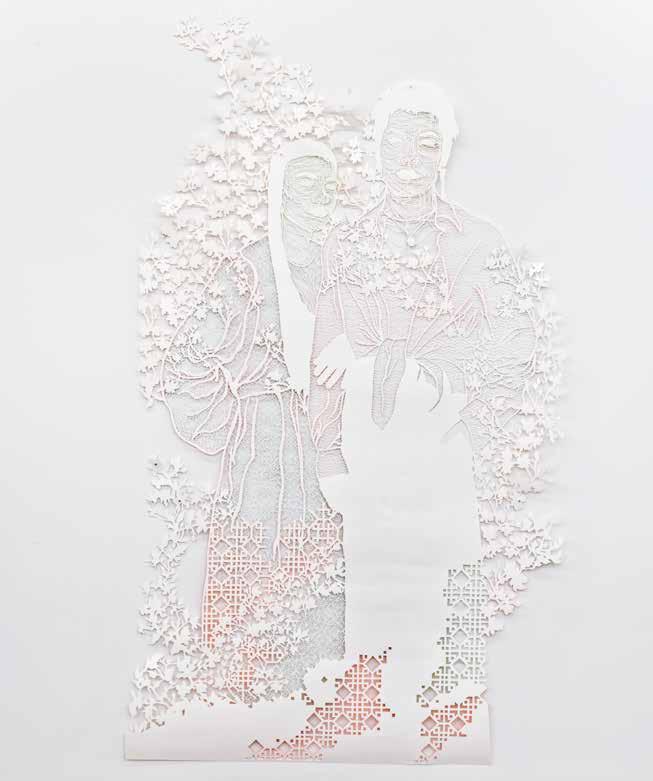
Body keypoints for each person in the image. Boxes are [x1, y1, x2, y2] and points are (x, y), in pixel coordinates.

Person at [306, 82, 534, 759]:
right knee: (372, 575)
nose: (408, 161)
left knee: (448, 570)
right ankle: (371, 722)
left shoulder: (479, 241)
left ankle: (446, 719)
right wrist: (326, 452)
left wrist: (439, 378)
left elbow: (511, 347)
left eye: (425, 146)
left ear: (445, 155)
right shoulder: (346, 243)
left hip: (446, 437)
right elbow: (323, 350)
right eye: (394, 146)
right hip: (368, 441)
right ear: (375, 153)